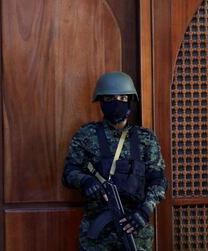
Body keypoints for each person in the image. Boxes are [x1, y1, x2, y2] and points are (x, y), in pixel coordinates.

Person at [62, 71, 168, 251]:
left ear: (130, 101)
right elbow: (69, 173)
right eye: (110, 98)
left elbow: (159, 182)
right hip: (97, 235)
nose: (117, 102)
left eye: (122, 97)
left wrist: (144, 211)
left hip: (136, 233)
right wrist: (86, 181)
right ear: (101, 102)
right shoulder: (86, 135)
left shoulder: (145, 139)